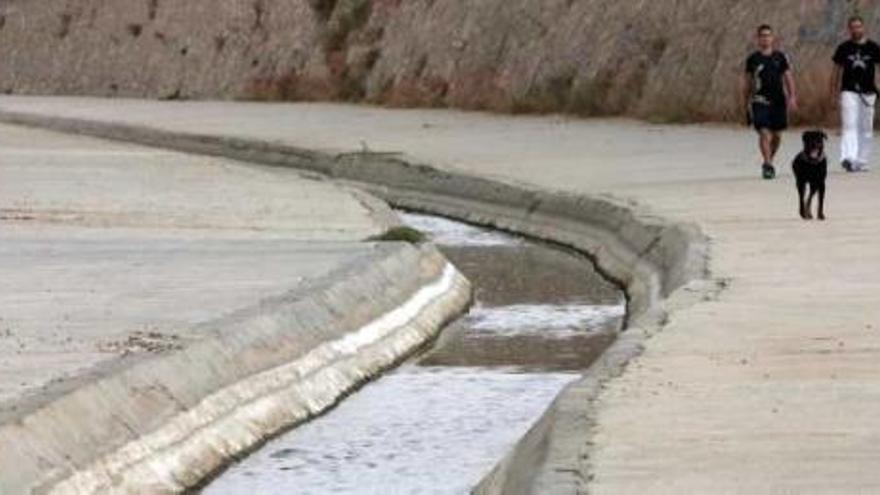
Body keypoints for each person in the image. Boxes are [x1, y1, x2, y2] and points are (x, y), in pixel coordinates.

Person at [742, 24, 799, 180]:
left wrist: (792, 96)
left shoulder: (780, 57)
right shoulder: (753, 59)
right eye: (762, 36)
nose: (765, 38)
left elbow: (788, 77)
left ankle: (769, 160)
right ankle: (767, 164)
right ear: (758, 39)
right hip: (760, 100)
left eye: (768, 35)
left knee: (777, 136)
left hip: (778, 101)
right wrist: (745, 103)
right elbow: (747, 82)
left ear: (772, 38)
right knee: (764, 133)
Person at [832, 15, 880, 172]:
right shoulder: (843, 48)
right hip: (849, 91)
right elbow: (836, 71)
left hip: (868, 92)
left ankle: (861, 160)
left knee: (866, 127)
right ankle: (849, 157)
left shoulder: (873, 47)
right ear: (849, 29)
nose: (856, 29)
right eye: (853, 27)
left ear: (863, 27)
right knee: (849, 124)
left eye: (858, 26)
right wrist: (833, 90)